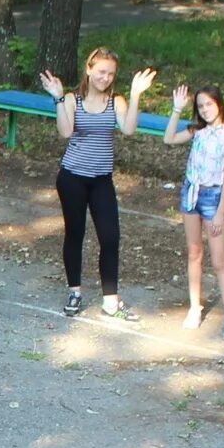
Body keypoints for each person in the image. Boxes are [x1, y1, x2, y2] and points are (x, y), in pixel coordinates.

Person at [36, 49, 153, 318]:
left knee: (110, 238)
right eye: (101, 71)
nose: (106, 77)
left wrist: (135, 96)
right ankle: (75, 292)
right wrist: (57, 99)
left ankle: (111, 300)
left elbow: (129, 129)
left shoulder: (117, 101)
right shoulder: (71, 99)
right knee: (75, 234)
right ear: (89, 69)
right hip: (72, 178)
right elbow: (65, 132)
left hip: (101, 180)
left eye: (111, 73)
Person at [163, 81, 224, 340]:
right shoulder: (196, 131)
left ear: (219, 104)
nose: (205, 109)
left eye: (209, 104)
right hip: (191, 193)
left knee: (219, 260)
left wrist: (220, 211)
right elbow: (169, 138)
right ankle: (195, 307)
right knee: (195, 252)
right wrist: (177, 110)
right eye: (200, 106)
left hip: (213, 196)